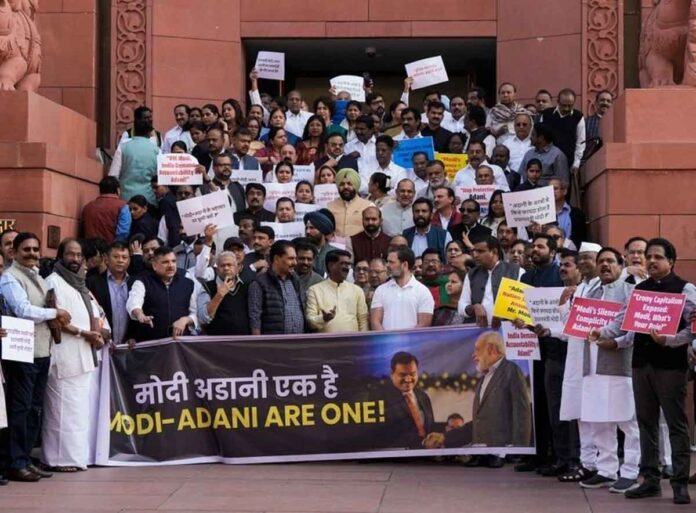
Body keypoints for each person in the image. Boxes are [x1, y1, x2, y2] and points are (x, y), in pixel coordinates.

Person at [593, 238, 695, 503]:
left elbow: (693, 327)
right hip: (640, 366)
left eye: (657, 257)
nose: (651, 261)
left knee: (675, 425)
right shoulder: (639, 290)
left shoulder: (685, 289)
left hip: (671, 366)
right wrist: (602, 332)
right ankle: (650, 480)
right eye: (648, 257)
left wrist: (670, 340)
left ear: (671, 261)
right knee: (646, 423)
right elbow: (623, 323)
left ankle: (680, 482)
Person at [0, 233, 72, 481]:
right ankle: (15, 462)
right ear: (14, 252)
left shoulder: (37, 276)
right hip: (21, 352)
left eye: (35, 249)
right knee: (20, 409)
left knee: (34, 409)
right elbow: (22, 310)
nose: (31, 253)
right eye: (26, 249)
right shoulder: (10, 278)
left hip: (41, 350)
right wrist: (55, 312)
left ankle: (26, 458)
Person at [571, 247, 641, 493]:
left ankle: (631, 471)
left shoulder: (630, 291)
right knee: (598, 418)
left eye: (611, 261)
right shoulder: (591, 291)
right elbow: (577, 322)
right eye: (601, 261)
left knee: (626, 420)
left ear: (621, 265)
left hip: (618, 363)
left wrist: (616, 342)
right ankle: (606, 470)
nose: (605, 265)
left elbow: (632, 328)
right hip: (591, 364)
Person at [43, 239, 107, 472]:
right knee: (62, 410)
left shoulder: (81, 284)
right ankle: (58, 460)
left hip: (84, 354)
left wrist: (98, 332)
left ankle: (76, 457)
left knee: (78, 412)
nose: (75, 259)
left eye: (79, 255)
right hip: (65, 355)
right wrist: (84, 333)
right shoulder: (53, 282)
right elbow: (55, 319)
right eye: (70, 254)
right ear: (61, 256)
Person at [520, 235, 575, 477]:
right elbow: (520, 308)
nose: (535, 250)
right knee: (538, 402)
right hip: (532, 346)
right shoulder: (525, 277)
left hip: (557, 346)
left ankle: (558, 455)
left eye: (541, 246)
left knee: (556, 404)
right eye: (533, 246)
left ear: (552, 252)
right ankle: (538, 454)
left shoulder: (558, 275)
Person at [469, 332, 531, 451]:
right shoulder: (484, 377)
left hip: (503, 456)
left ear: (491, 349)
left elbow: (522, 415)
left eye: (477, 349)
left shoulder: (511, 371)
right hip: (484, 455)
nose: (473, 355)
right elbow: (480, 419)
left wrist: (519, 451)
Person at [127, 246, 198, 342]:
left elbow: (195, 314)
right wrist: (140, 315)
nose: (171, 265)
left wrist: (185, 320)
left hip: (180, 343)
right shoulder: (142, 282)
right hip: (152, 343)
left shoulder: (187, 283)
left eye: (173, 261)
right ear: (154, 265)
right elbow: (133, 303)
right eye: (165, 262)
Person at [373, 352, 435, 450]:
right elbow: (385, 434)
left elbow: (431, 427)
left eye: (412, 374)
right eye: (402, 374)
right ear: (391, 374)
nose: (408, 379)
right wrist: (422, 444)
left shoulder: (423, 396)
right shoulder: (380, 397)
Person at [458, 236, 523, 327]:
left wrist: (504, 313)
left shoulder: (517, 271)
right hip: (478, 332)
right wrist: (474, 308)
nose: (475, 255)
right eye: (474, 251)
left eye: (480, 251)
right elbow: (461, 305)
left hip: (508, 331)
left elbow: (523, 306)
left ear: (494, 252)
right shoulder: (472, 274)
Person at [248, 240, 305, 335]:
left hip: (297, 343)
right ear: (277, 258)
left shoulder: (295, 280)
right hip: (273, 345)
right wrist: (257, 344)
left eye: (295, 258)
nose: (295, 263)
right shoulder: (259, 283)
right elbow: (255, 317)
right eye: (290, 258)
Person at [370, 247, 434, 330]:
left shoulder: (423, 292)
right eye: (387, 262)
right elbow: (375, 322)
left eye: (391, 262)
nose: (387, 266)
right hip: (386, 342)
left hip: (413, 342)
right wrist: (386, 342)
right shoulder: (380, 290)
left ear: (405, 265)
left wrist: (406, 342)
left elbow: (424, 324)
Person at [306, 249, 368, 333]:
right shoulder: (315, 290)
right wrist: (324, 318)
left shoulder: (357, 290)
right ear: (331, 265)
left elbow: (363, 320)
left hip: (353, 343)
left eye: (348, 264)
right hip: (325, 344)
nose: (347, 268)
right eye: (343, 264)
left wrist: (362, 342)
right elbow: (310, 321)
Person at [86, 241, 135, 346]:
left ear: (129, 260)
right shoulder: (93, 282)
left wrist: (133, 336)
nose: (120, 260)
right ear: (106, 259)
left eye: (124, 257)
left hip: (128, 346)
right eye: (116, 257)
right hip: (102, 344)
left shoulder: (135, 284)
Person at [197, 251, 250, 335]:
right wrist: (219, 295)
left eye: (229, 265)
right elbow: (203, 319)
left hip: (243, 341)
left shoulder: (247, 287)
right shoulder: (208, 287)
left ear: (237, 269)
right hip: (218, 342)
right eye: (222, 265)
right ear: (217, 270)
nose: (226, 268)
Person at [109, 118, 160, 206]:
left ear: (134, 131)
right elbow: (159, 177)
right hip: (148, 200)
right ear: (149, 133)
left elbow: (113, 176)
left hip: (125, 199)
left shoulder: (122, 147)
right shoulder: (157, 150)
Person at [539, 88, 585, 176]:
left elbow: (580, 142)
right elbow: (541, 138)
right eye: (564, 105)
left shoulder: (578, 117)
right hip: (547, 161)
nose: (566, 108)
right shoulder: (546, 115)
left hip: (568, 161)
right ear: (558, 102)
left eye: (570, 105)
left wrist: (576, 163)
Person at [82, 176, 131, 243]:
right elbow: (123, 233)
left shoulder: (87, 207)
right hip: (111, 249)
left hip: (90, 249)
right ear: (118, 190)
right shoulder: (123, 206)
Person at [326, 168, 374, 238]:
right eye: (342, 184)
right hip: (336, 247)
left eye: (349, 184)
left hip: (359, 247)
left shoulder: (369, 206)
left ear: (356, 186)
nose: (345, 187)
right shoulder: (329, 206)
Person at [550, 177, 586, 249]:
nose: (552, 192)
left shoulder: (577, 214)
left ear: (565, 191)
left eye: (555, 189)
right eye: (549, 189)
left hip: (572, 255)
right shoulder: (544, 215)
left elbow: (582, 239)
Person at [304, 210, 338, 276]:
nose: (308, 231)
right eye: (306, 228)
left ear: (322, 230)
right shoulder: (300, 251)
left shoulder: (335, 253)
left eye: (312, 228)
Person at [344, 115, 378, 180]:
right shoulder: (348, 146)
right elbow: (343, 167)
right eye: (356, 129)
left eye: (362, 129)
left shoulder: (379, 146)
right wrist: (349, 158)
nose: (358, 132)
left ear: (372, 129)